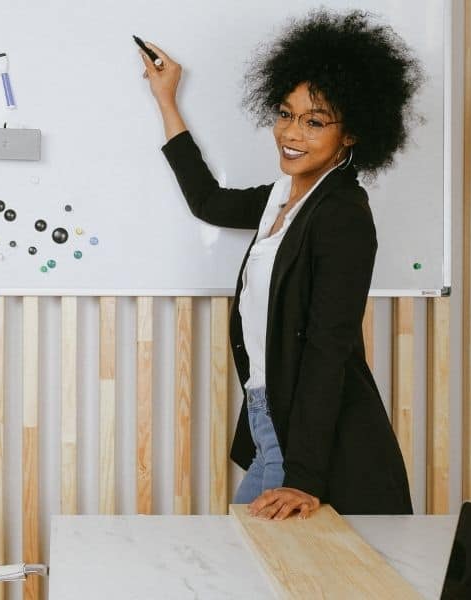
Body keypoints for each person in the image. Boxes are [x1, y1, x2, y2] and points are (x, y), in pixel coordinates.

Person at [140, 9, 423, 519]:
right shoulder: (282, 197)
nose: (291, 132)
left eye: (315, 122)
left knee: (246, 561)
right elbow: (208, 201)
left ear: (352, 134)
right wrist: (166, 99)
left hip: (305, 435)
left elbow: (327, 347)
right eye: (286, 114)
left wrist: (304, 478)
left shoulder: (341, 216)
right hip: (269, 418)